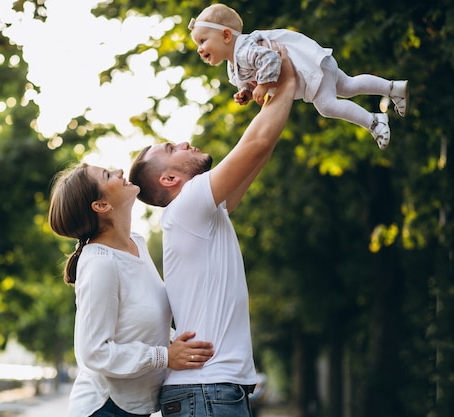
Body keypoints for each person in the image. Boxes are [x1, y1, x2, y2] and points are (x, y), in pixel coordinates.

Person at [128, 41, 297, 416]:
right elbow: (256, 143)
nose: (185, 142)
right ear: (170, 178)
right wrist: (287, 77)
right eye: (173, 147)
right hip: (207, 392)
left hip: (209, 392)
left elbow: (260, 153)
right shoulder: (187, 206)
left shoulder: (201, 213)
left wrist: (272, 92)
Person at [48, 163, 215, 417]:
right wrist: (165, 356)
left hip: (133, 408)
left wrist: (174, 342)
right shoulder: (100, 263)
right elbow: (94, 351)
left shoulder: (137, 242)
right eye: (107, 175)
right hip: (105, 408)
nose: (119, 172)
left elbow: (136, 322)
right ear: (101, 206)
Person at [188, 3, 409, 151]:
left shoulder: (245, 49)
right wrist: (245, 92)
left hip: (309, 70)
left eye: (202, 41)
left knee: (326, 105)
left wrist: (263, 86)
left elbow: (271, 60)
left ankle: (375, 122)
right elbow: (249, 80)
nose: (199, 49)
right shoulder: (233, 64)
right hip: (314, 66)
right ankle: (393, 88)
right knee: (348, 85)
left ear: (226, 35)